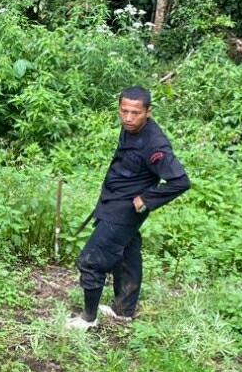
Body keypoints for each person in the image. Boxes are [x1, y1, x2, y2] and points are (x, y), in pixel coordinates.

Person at [67, 87, 190, 330]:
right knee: (126, 254)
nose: (128, 118)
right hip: (114, 199)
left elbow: (180, 181)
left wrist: (148, 197)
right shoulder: (131, 129)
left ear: (148, 112)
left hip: (124, 210)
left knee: (91, 261)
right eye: (124, 111)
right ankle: (123, 311)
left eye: (135, 113)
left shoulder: (155, 145)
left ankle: (88, 319)